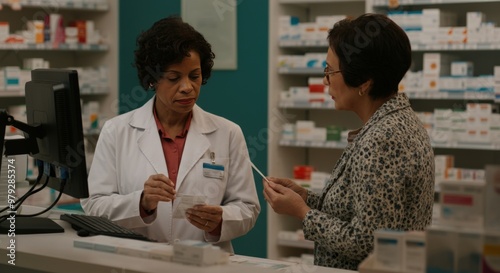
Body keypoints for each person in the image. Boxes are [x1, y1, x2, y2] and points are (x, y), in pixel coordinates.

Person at [263, 13, 434, 270]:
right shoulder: (395, 121)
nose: (325, 80)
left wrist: (302, 213)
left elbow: (368, 243)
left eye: (331, 71)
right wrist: (306, 198)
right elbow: (358, 212)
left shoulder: (383, 139)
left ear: (364, 82)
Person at [81, 16, 260, 253]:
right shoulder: (117, 131)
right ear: (152, 80)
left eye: (194, 76)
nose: (187, 87)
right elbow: (94, 205)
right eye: (174, 78)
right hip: (136, 262)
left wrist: (221, 220)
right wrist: (142, 202)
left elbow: (247, 207)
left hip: (204, 264)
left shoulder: (227, 133)